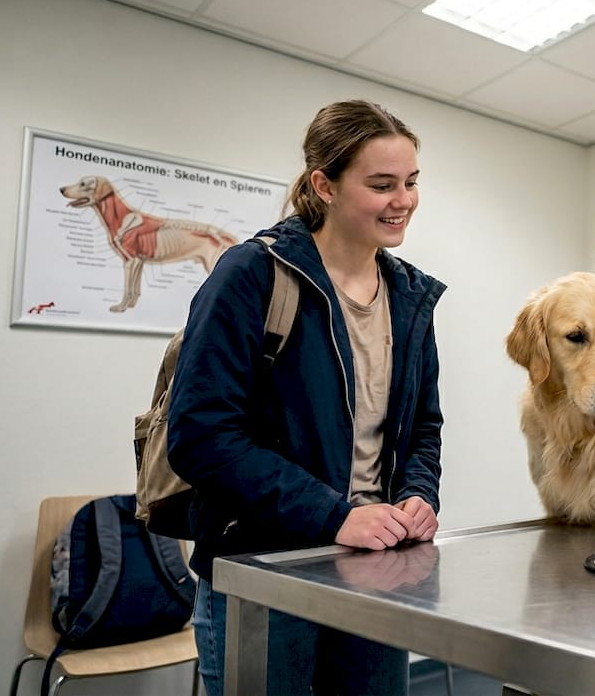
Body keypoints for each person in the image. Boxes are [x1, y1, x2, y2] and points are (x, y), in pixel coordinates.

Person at [168, 99, 446, 695]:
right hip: (264, 571)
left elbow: (423, 426)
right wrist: (334, 515)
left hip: (377, 568)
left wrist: (419, 493)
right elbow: (201, 437)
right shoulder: (250, 275)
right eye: (381, 185)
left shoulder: (410, 296)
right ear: (324, 185)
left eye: (412, 182)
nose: (403, 200)